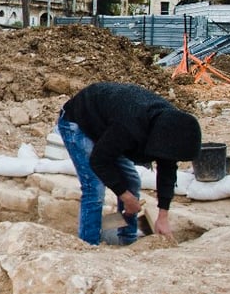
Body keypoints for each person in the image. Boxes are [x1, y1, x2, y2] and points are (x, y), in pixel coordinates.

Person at [57, 82, 201, 245]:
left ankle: (127, 239)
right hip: (78, 120)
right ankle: (89, 244)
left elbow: (167, 169)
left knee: (132, 181)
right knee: (94, 187)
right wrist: (125, 196)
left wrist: (163, 216)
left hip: (109, 123)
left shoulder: (172, 126)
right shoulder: (129, 127)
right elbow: (99, 161)